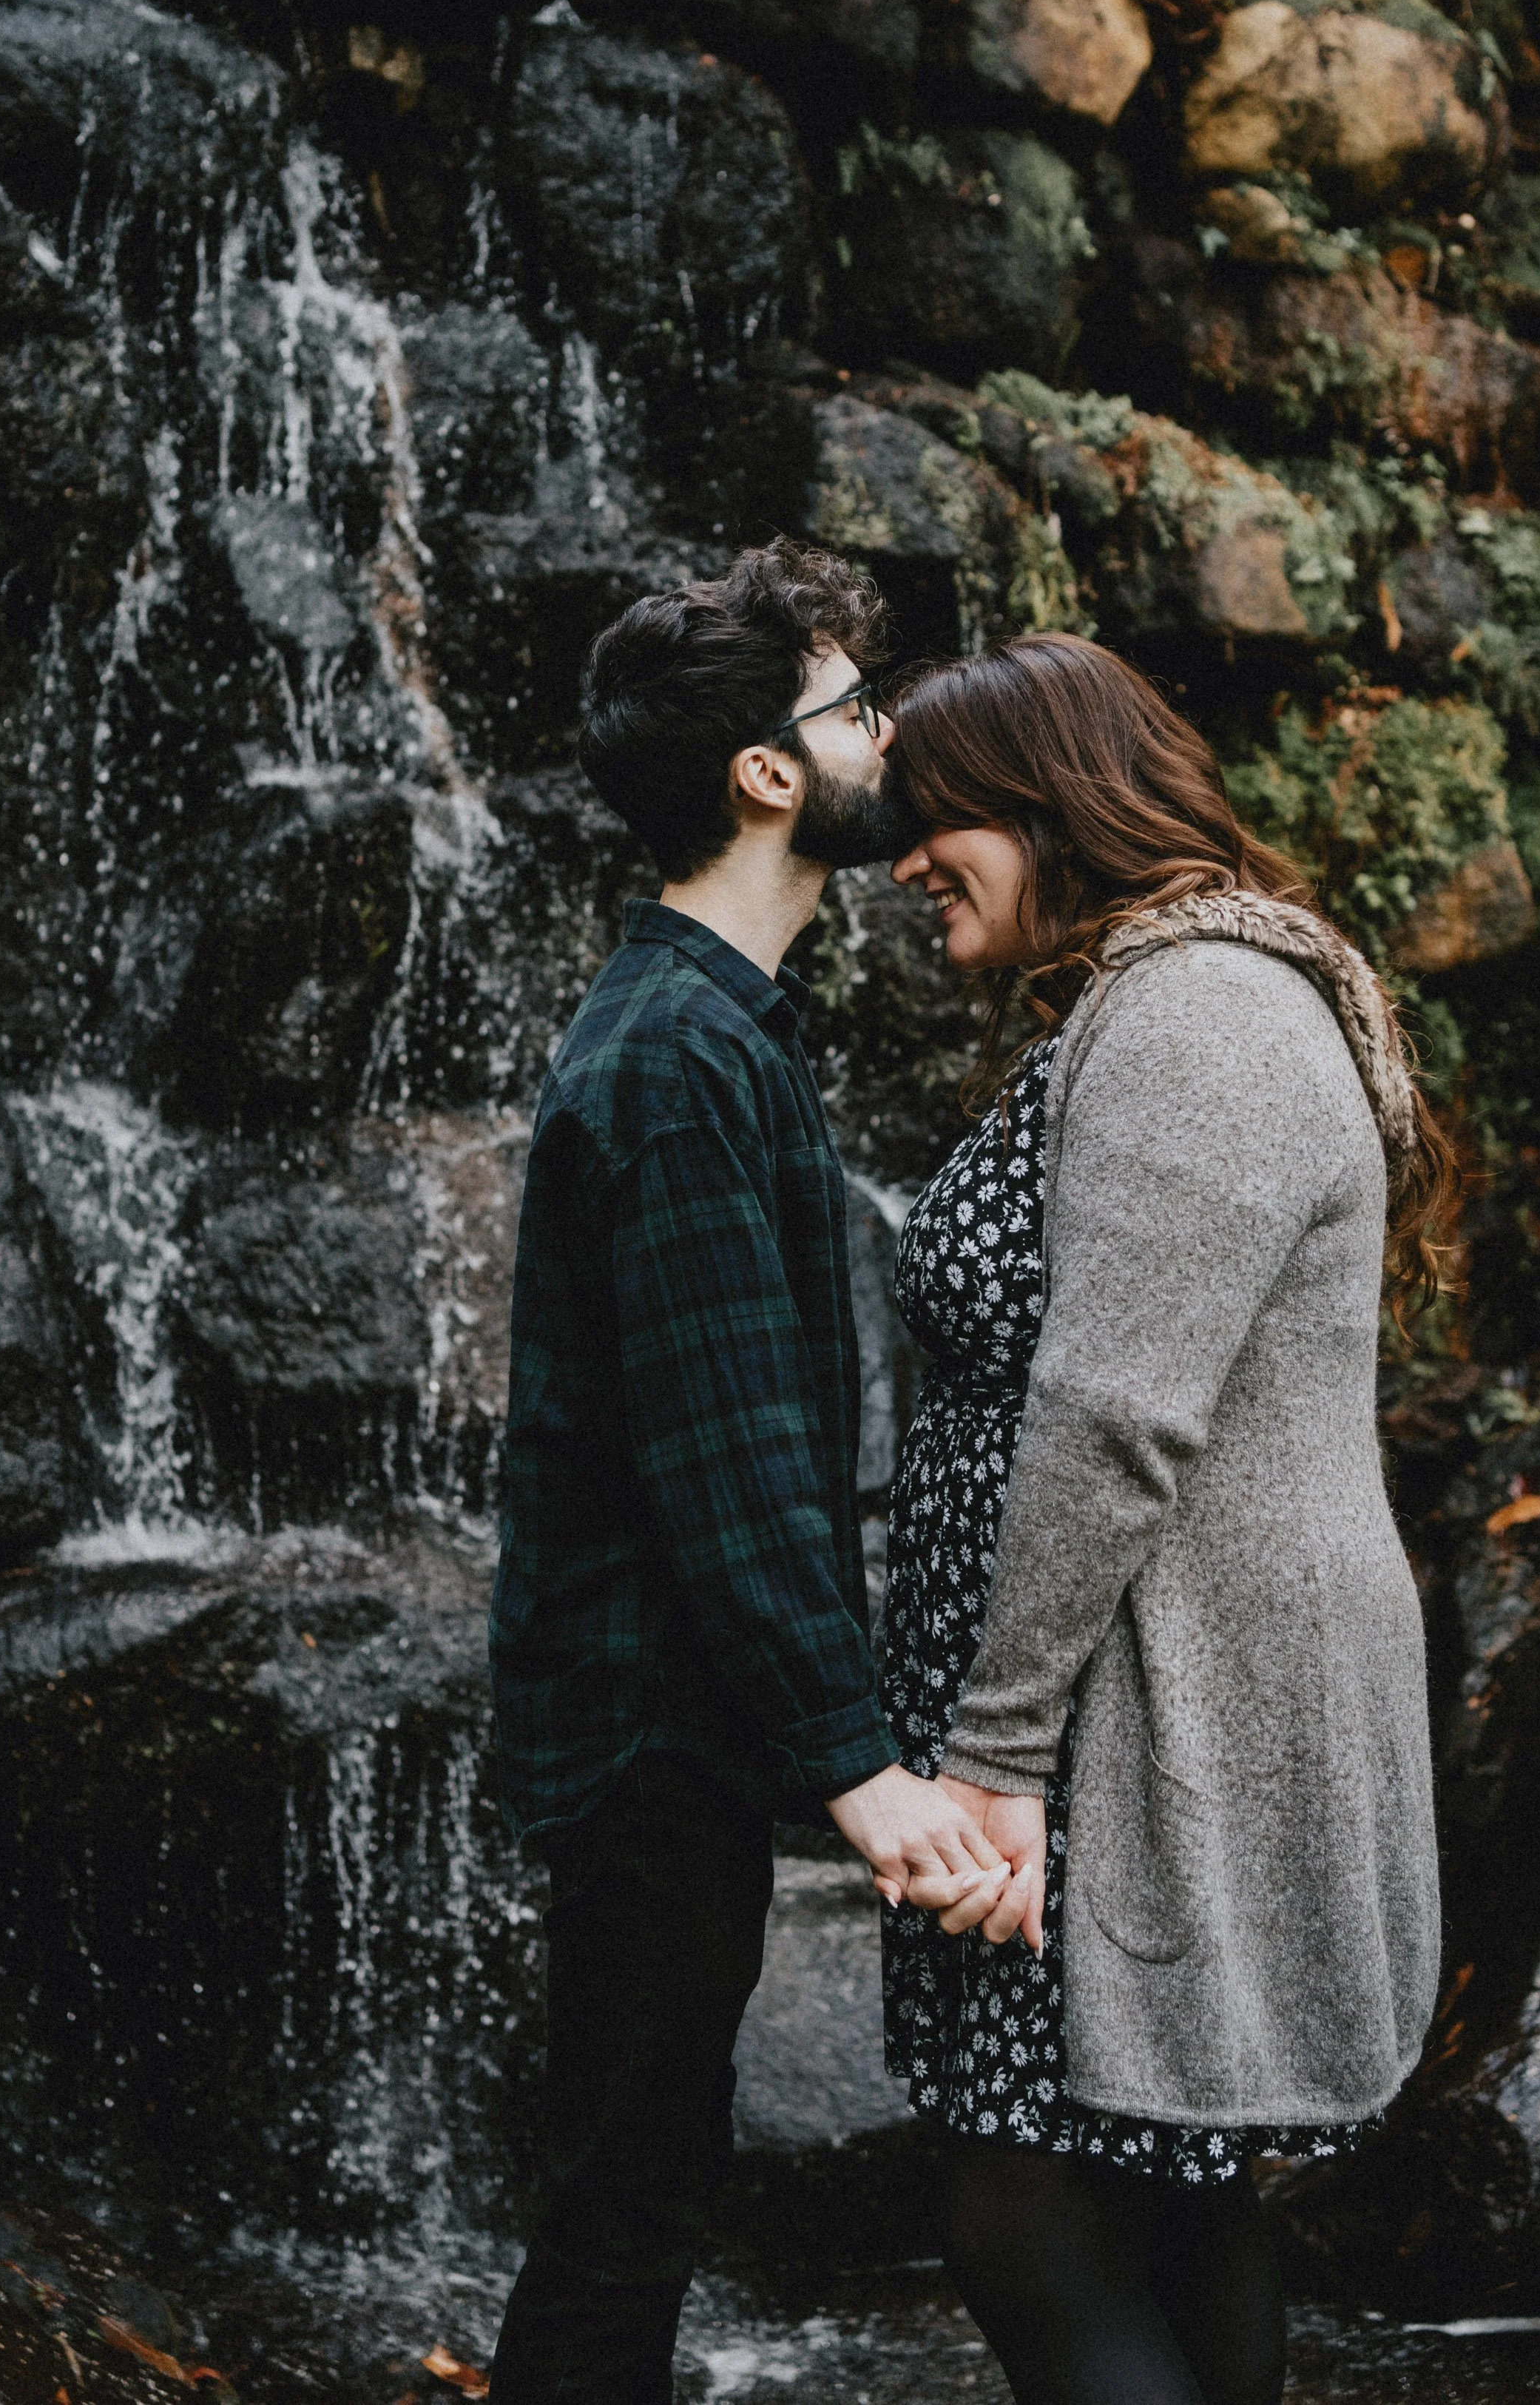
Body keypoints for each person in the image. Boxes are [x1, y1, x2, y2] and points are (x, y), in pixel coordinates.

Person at [874, 633, 1453, 2405]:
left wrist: (992, 1755)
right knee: (1159, 2192)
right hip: (1130, 1692)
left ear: (1044, 803)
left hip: (1142, 1715)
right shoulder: (1160, 998)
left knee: (1020, 2211)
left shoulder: (1198, 1013)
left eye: (933, 816)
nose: (900, 855)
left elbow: (1116, 1414)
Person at [486, 539, 1010, 2404]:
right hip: (650, 1738)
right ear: (769, 775)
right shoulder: (676, 1064)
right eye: (858, 709)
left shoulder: (718, 1036)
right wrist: (862, 1776)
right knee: (625, 2208)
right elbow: (726, 1465)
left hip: (667, 1728)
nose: (893, 735)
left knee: (640, 2186)